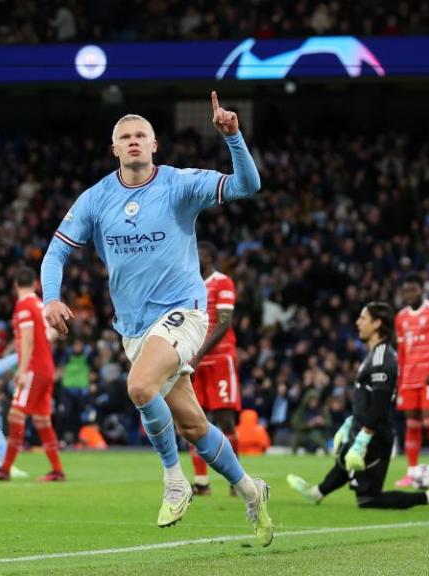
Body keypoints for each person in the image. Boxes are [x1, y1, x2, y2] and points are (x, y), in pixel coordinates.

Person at [40, 91, 272, 546]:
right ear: (114, 149)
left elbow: (248, 186)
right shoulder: (95, 198)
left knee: (140, 387)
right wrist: (51, 297)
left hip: (184, 311)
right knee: (192, 425)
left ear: (154, 145)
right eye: (124, 137)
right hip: (134, 328)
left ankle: (174, 480)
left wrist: (234, 138)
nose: (132, 142)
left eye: (140, 136)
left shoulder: (179, 184)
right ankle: (251, 489)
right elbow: (56, 251)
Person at [286, 303, 429, 511]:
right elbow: (367, 398)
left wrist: (362, 439)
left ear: (377, 324)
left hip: (376, 436)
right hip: (365, 427)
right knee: (344, 459)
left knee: (368, 499)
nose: (357, 323)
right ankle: (315, 493)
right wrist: (350, 423)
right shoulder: (374, 355)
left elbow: (380, 402)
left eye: (363, 319)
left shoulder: (382, 359)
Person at [0, 267, 65, 482]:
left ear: (15, 285)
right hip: (47, 368)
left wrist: (23, 369)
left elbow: (27, 340)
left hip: (34, 369)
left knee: (16, 414)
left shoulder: (24, 306)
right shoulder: (40, 305)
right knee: (42, 420)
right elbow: (52, 333)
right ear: (36, 285)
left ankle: (5, 468)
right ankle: (57, 470)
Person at [188, 241, 242, 496]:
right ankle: (201, 482)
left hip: (219, 359)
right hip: (193, 361)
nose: (194, 257)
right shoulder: (188, 283)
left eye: (199, 254)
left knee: (224, 419)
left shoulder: (223, 282)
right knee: (192, 420)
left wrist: (198, 355)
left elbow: (224, 323)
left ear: (209, 257)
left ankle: (236, 481)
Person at [393, 273, 429, 486]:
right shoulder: (400, 317)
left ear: (421, 290)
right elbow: (401, 351)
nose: (409, 294)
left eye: (413, 290)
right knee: (412, 423)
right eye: (405, 291)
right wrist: (400, 380)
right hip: (409, 376)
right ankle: (411, 472)